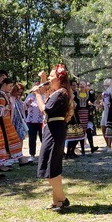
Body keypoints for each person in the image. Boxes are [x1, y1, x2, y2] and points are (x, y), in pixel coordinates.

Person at [32, 64, 74, 211]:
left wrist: (37, 95)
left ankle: (62, 198)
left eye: (51, 76)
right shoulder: (58, 92)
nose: (49, 78)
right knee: (51, 166)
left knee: (51, 167)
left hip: (55, 130)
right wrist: (43, 79)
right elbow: (48, 94)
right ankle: (57, 201)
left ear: (59, 79)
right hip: (52, 129)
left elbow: (46, 109)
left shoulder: (61, 93)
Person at [23, 84, 44, 159]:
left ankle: (45, 153)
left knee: (43, 138)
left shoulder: (43, 96)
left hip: (41, 121)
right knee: (32, 138)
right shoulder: (29, 96)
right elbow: (24, 107)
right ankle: (32, 154)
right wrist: (27, 103)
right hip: (31, 121)